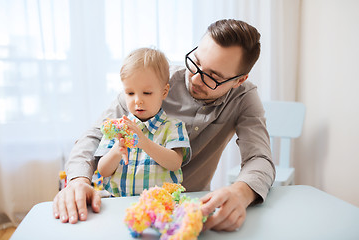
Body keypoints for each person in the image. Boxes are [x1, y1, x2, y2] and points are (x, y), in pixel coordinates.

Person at [53, 19, 275, 232]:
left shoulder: (243, 98)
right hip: (127, 205)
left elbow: (260, 158)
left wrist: (241, 192)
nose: (196, 79)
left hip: (191, 209)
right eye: (196, 62)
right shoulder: (153, 81)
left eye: (212, 77)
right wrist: (78, 180)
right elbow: (94, 135)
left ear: (239, 80)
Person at [96, 47, 191, 197]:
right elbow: (103, 170)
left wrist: (144, 142)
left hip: (159, 204)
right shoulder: (117, 128)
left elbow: (175, 163)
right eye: (130, 93)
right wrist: (116, 150)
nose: (138, 100)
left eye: (146, 93)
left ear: (164, 92)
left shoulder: (173, 126)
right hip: (119, 201)